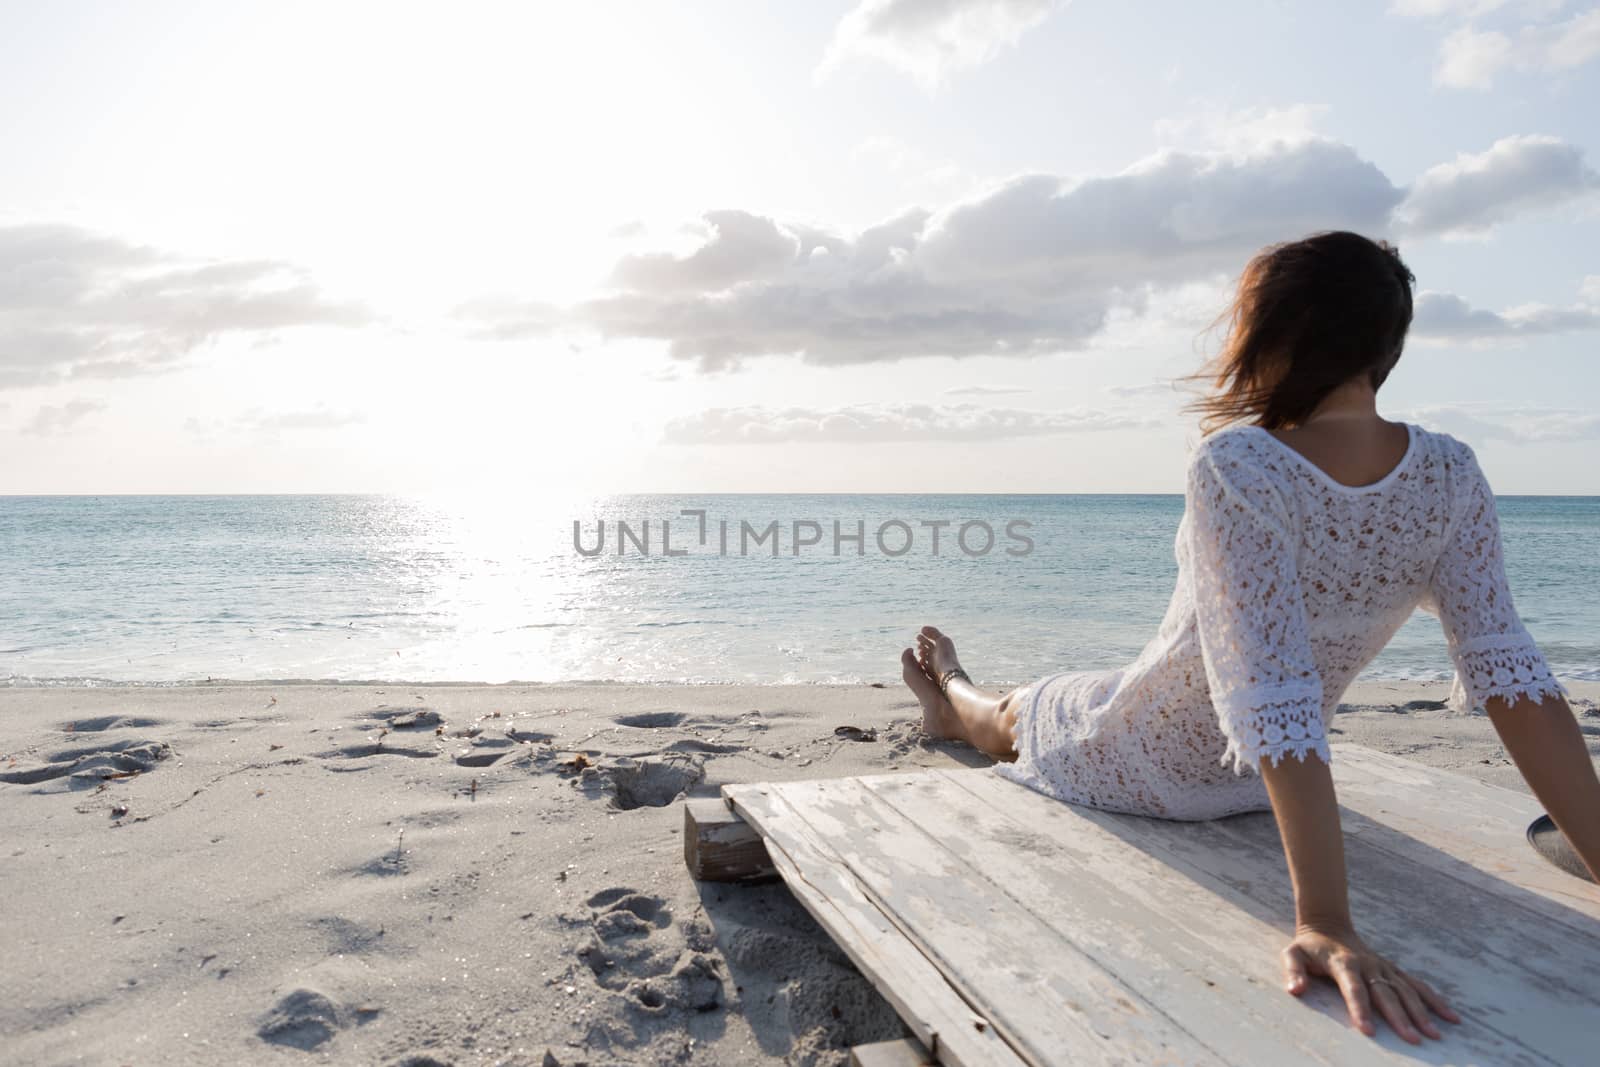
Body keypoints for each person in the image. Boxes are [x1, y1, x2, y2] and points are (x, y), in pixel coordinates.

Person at [900, 230, 1600, 1045]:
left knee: (1022, 714)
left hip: (1153, 760)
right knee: (1073, 689)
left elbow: (1274, 692)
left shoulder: (1240, 463)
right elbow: (1515, 680)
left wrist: (1327, 920)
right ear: (1387, 346)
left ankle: (953, 693)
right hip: (1261, 780)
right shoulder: (1450, 471)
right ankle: (953, 686)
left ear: (1275, 336)